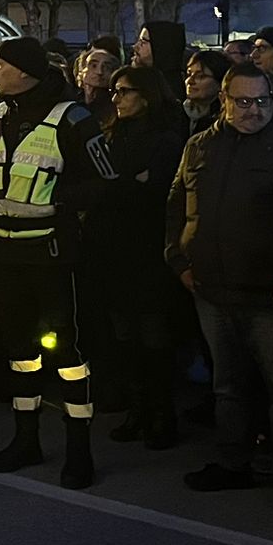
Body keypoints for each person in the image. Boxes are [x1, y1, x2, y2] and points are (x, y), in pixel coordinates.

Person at [167, 62, 273, 509]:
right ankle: (233, 463)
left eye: (262, 101)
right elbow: (176, 203)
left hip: (268, 292)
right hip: (211, 289)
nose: (254, 110)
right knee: (227, 384)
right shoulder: (200, 146)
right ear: (224, 101)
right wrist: (177, 259)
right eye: (244, 101)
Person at [0, 37, 116, 486]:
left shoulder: (73, 118)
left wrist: (57, 200)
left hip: (53, 257)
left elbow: (105, 181)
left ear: (25, 72)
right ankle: (26, 439)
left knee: (68, 357)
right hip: (6, 254)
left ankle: (79, 450)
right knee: (21, 354)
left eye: (1, 65)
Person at [95, 65, 188, 450]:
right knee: (125, 334)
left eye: (124, 91)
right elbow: (104, 187)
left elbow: (156, 192)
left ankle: (161, 414)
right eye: (114, 91)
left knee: (153, 334)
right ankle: (137, 410)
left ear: (146, 96)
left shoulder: (165, 140)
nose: (116, 98)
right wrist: (128, 184)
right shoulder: (111, 135)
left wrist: (123, 187)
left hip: (148, 249)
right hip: (114, 249)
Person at [182, 49, 228, 135]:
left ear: (220, 83)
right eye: (188, 74)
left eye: (200, 76)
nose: (190, 81)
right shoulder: (175, 113)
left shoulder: (225, 121)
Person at [75, 47, 118, 122]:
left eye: (106, 67)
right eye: (93, 66)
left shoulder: (118, 107)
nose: (99, 72)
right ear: (81, 71)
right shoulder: (72, 104)